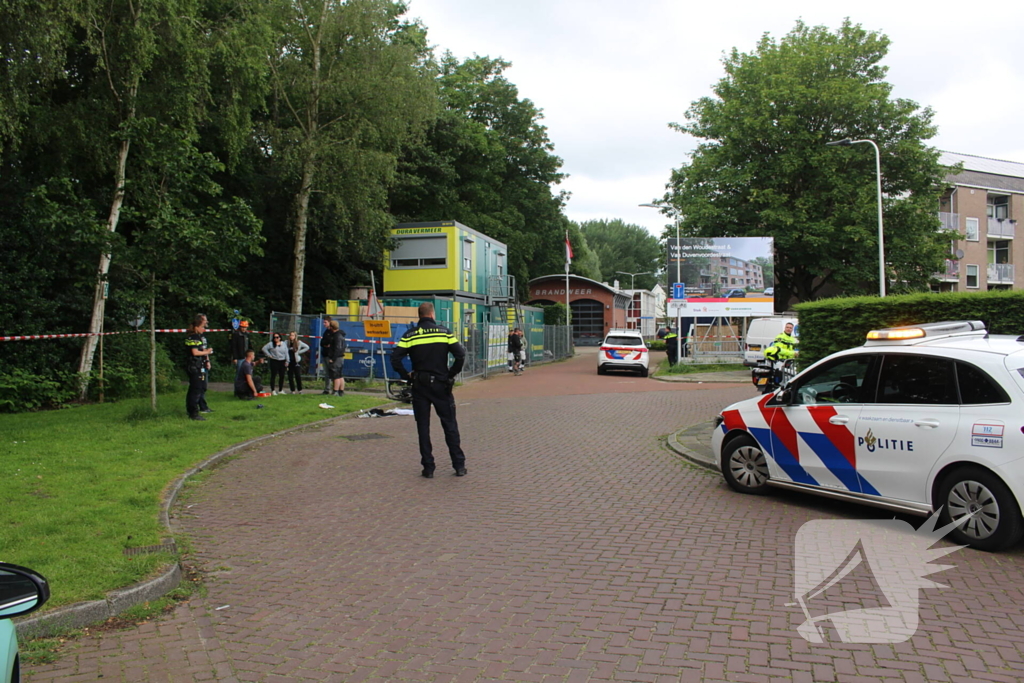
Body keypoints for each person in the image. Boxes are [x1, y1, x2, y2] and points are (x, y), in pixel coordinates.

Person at [390, 302, 467, 478]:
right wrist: (450, 375)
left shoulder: (410, 335)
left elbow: (395, 358)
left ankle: (428, 467)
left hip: (419, 385)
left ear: (420, 315)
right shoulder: (444, 332)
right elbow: (460, 355)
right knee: (449, 424)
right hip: (441, 384)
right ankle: (459, 465)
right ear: (432, 315)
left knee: (423, 427)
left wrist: (407, 375)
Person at [184, 314, 213, 421]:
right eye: (202, 327)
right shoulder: (193, 337)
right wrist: (207, 351)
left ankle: (196, 409)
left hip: (199, 365)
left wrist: (206, 359)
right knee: (195, 390)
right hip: (193, 366)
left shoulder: (199, 337)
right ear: (196, 327)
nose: (204, 329)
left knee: (200, 388)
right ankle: (193, 412)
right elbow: (195, 352)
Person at [330, 321, 347, 396]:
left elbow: (337, 348)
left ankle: (335, 391)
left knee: (335, 374)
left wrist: (333, 358)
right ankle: (341, 391)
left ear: (331, 327)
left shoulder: (336, 336)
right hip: (341, 356)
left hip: (337, 357)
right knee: (340, 374)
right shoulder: (341, 335)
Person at [320, 316, 335, 395]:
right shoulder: (326, 332)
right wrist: (325, 344)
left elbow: (331, 342)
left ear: (330, 322)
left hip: (330, 355)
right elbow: (322, 343)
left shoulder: (332, 332)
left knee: (332, 372)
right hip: (325, 354)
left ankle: (334, 389)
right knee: (326, 373)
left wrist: (327, 344)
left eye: (325, 322)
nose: (324, 324)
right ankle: (327, 389)